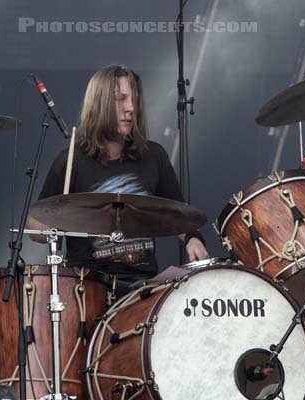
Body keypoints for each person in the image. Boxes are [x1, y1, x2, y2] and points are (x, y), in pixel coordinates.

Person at [27, 65, 209, 290]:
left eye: (133, 100)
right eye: (121, 99)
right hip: (89, 286)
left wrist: (193, 237)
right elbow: (34, 225)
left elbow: (179, 215)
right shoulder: (71, 160)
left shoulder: (153, 155)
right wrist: (58, 224)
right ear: (100, 104)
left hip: (143, 288)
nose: (131, 108)